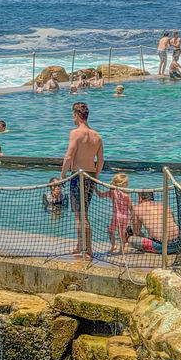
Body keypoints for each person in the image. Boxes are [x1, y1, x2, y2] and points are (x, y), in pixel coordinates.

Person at [60, 101, 104, 259]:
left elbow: (68, 156)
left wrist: (62, 176)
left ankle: (87, 248)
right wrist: (96, 177)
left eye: (73, 115)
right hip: (90, 175)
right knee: (84, 213)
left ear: (77, 116)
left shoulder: (75, 133)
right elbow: (100, 161)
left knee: (80, 215)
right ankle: (81, 245)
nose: (73, 118)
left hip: (78, 176)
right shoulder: (97, 135)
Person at [129, 190, 180, 254]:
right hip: (178, 244)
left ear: (140, 198)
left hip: (161, 247)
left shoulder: (138, 209)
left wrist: (143, 236)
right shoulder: (165, 206)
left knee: (131, 240)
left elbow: (136, 232)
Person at [96, 173, 132, 254]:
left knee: (110, 232)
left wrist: (95, 188)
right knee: (122, 234)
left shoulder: (112, 192)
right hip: (125, 217)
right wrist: (133, 217)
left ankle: (113, 246)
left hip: (116, 216)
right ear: (122, 184)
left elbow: (101, 195)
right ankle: (121, 250)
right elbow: (131, 208)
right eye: (126, 183)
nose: (128, 184)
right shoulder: (127, 196)